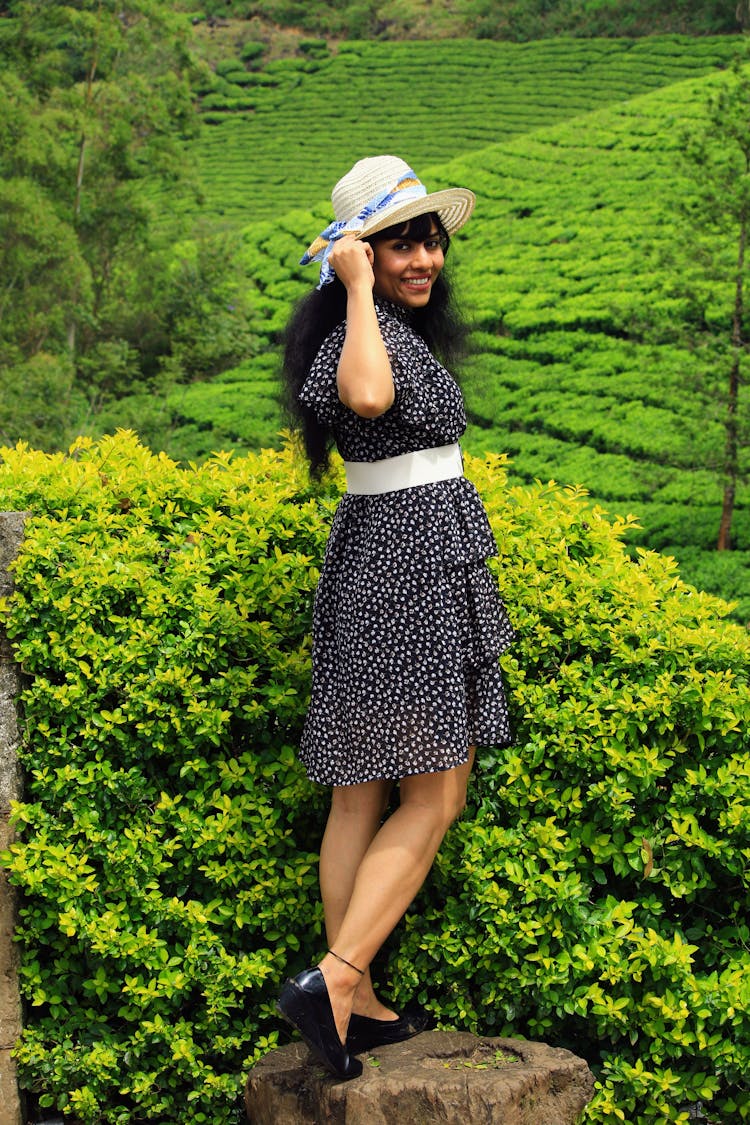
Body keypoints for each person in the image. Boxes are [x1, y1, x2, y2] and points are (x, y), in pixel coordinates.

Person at [277, 155, 514, 1080]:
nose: (423, 257)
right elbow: (370, 400)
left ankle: (356, 994)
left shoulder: (387, 330)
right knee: (435, 794)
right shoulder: (361, 335)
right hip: (407, 572)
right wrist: (357, 284)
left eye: (430, 239)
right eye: (399, 241)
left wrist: (367, 287)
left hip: (393, 564)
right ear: (361, 255)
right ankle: (334, 979)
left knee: (359, 795)